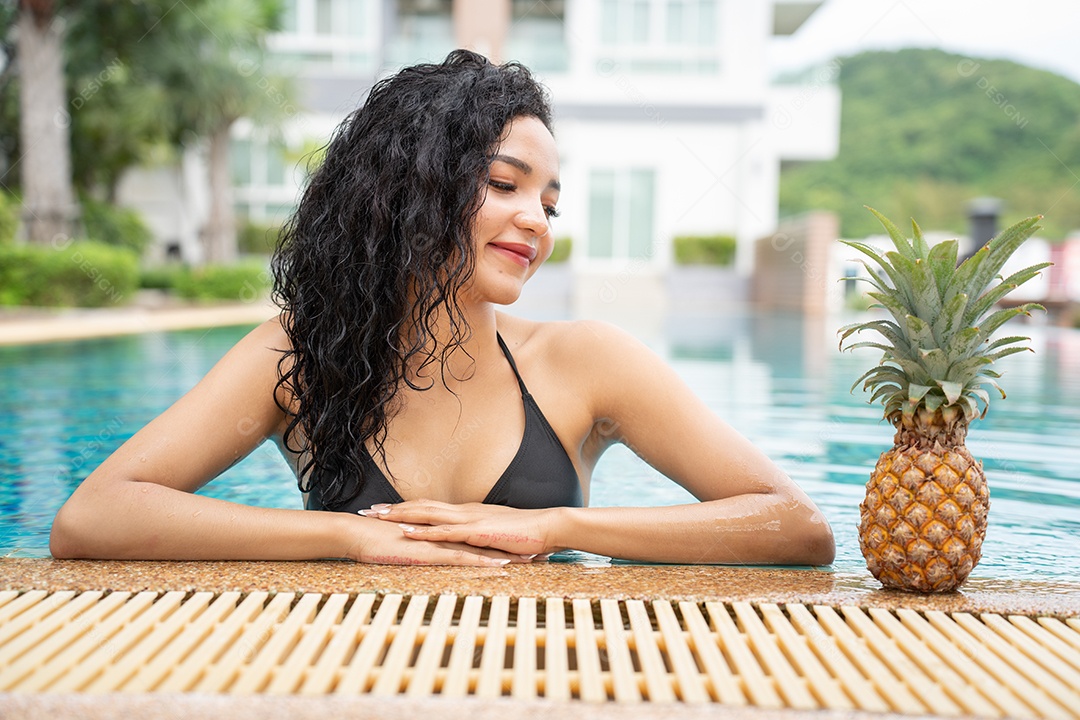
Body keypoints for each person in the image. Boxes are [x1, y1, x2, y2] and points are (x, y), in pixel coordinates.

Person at [50, 50, 835, 567]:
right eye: (504, 184)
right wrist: (347, 538)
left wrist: (558, 527)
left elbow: (796, 526)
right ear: (410, 187)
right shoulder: (300, 355)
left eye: (549, 204)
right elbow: (92, 517)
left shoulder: (584, 361)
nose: (536, 220)